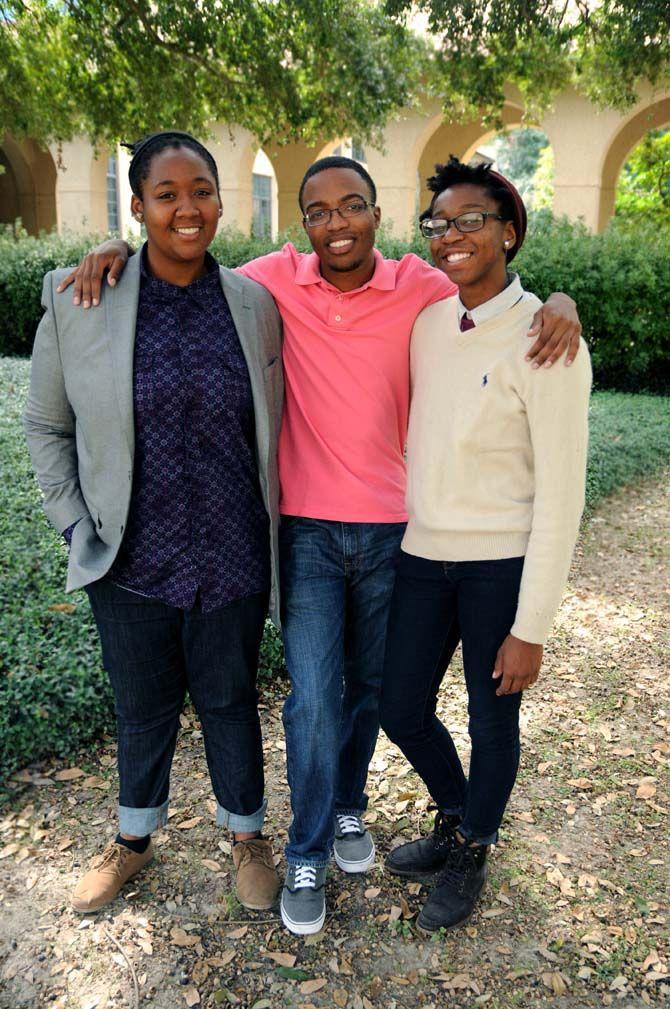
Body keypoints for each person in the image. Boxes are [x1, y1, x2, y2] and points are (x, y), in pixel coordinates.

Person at [57, 155, 583, 935]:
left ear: (379, 213)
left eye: (354, 206)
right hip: (306, 527)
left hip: (394, 535)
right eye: (319, 210)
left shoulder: (423, 288)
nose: (337, 222)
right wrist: (118, 254)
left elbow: (499, 294)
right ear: (303, 224)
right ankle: (305, 846)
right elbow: (187, 253)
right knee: (313, 696)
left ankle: (359, 811)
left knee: (376, 692)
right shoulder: (273, 281)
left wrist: (561, 300)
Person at [23, 132, 284, 915]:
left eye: (200, 188)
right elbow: (45, 425)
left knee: (232, 699)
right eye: (165, 194)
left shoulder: (256, 301)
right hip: (130, 556)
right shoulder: (78, 299)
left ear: (219, 198)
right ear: (136, 207)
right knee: (142, 707)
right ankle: (132, 840)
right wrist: (75, 526)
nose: (186, 207)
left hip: (234, 550)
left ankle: (246, 834)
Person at [379, 157, 592, 933]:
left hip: (500, 566)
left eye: (472, 219)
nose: (452, 234)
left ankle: (473, 844)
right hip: (421, 555)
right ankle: (460, 812)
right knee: (400, 706)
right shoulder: (430, 323)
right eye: (439, 222)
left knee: (491, 718)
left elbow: (563, 493)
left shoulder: (548, 337)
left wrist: (531, 626)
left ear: (509, 230)